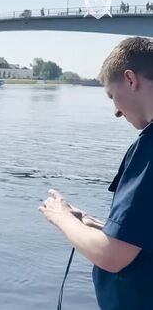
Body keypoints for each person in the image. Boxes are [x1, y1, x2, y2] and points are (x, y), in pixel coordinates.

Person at [39, 37, 153, 309]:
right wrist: (89, 224)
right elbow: (139, 239)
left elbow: (113, 257)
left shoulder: (149, 148)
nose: (115, 110)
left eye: (112, 96)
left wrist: (61, 217)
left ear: (130, 79)